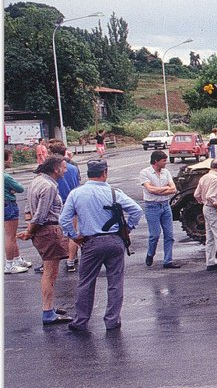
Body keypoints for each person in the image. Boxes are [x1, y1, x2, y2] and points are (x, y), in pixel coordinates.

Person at [59, 159, 143, 332]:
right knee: (115, 282)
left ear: (88, 174)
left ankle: (81, 321)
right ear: (104, 172)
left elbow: (64, 219)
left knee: (86, 282)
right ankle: (112, 321)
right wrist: (128, 228)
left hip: (90, 242)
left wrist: (74, 236)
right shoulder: (114, 193)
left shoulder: (76, 194)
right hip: (114, 241)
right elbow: (136, 210)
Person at [17, 156, 72, 325]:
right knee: (50, 273)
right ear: (56, 169)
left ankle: (50, 308)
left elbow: (28, 210)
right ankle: (48, 312)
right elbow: (40, 215)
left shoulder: (36, 181)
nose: (66, 170)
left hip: (43, 231)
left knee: (50, 272)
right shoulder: (48, 187)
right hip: (49, 231)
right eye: (63, 167)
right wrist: (29, 231)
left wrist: (30, 229)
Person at [139, 149, 180, 269]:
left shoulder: (166, 172)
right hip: (152, 206)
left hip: (165, 205)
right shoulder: (145, 173)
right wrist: (164, 189)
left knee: (169, 235)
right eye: (164, 161)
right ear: (156, 161)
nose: (166, 163)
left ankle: (168, 260)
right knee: (155, 234)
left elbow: (173, 189)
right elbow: (150, 189)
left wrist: (159, 190)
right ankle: (150, 253)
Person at [48, 141, 81, 272]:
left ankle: (54, 258)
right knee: (72, 232)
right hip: (72, 202)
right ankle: (71, 259)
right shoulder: (73, 167)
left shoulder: (52, 168)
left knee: (56, 233)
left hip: (56, 203)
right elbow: (78, 181)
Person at [4, 149, 31, 274]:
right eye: (9, 157)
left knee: (11, 235)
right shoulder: (6, 177)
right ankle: (9, 264)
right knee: (11, 236)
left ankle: (17, 259)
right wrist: (11, 190)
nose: (11, 160)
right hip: (8, 204)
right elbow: (20, 188)